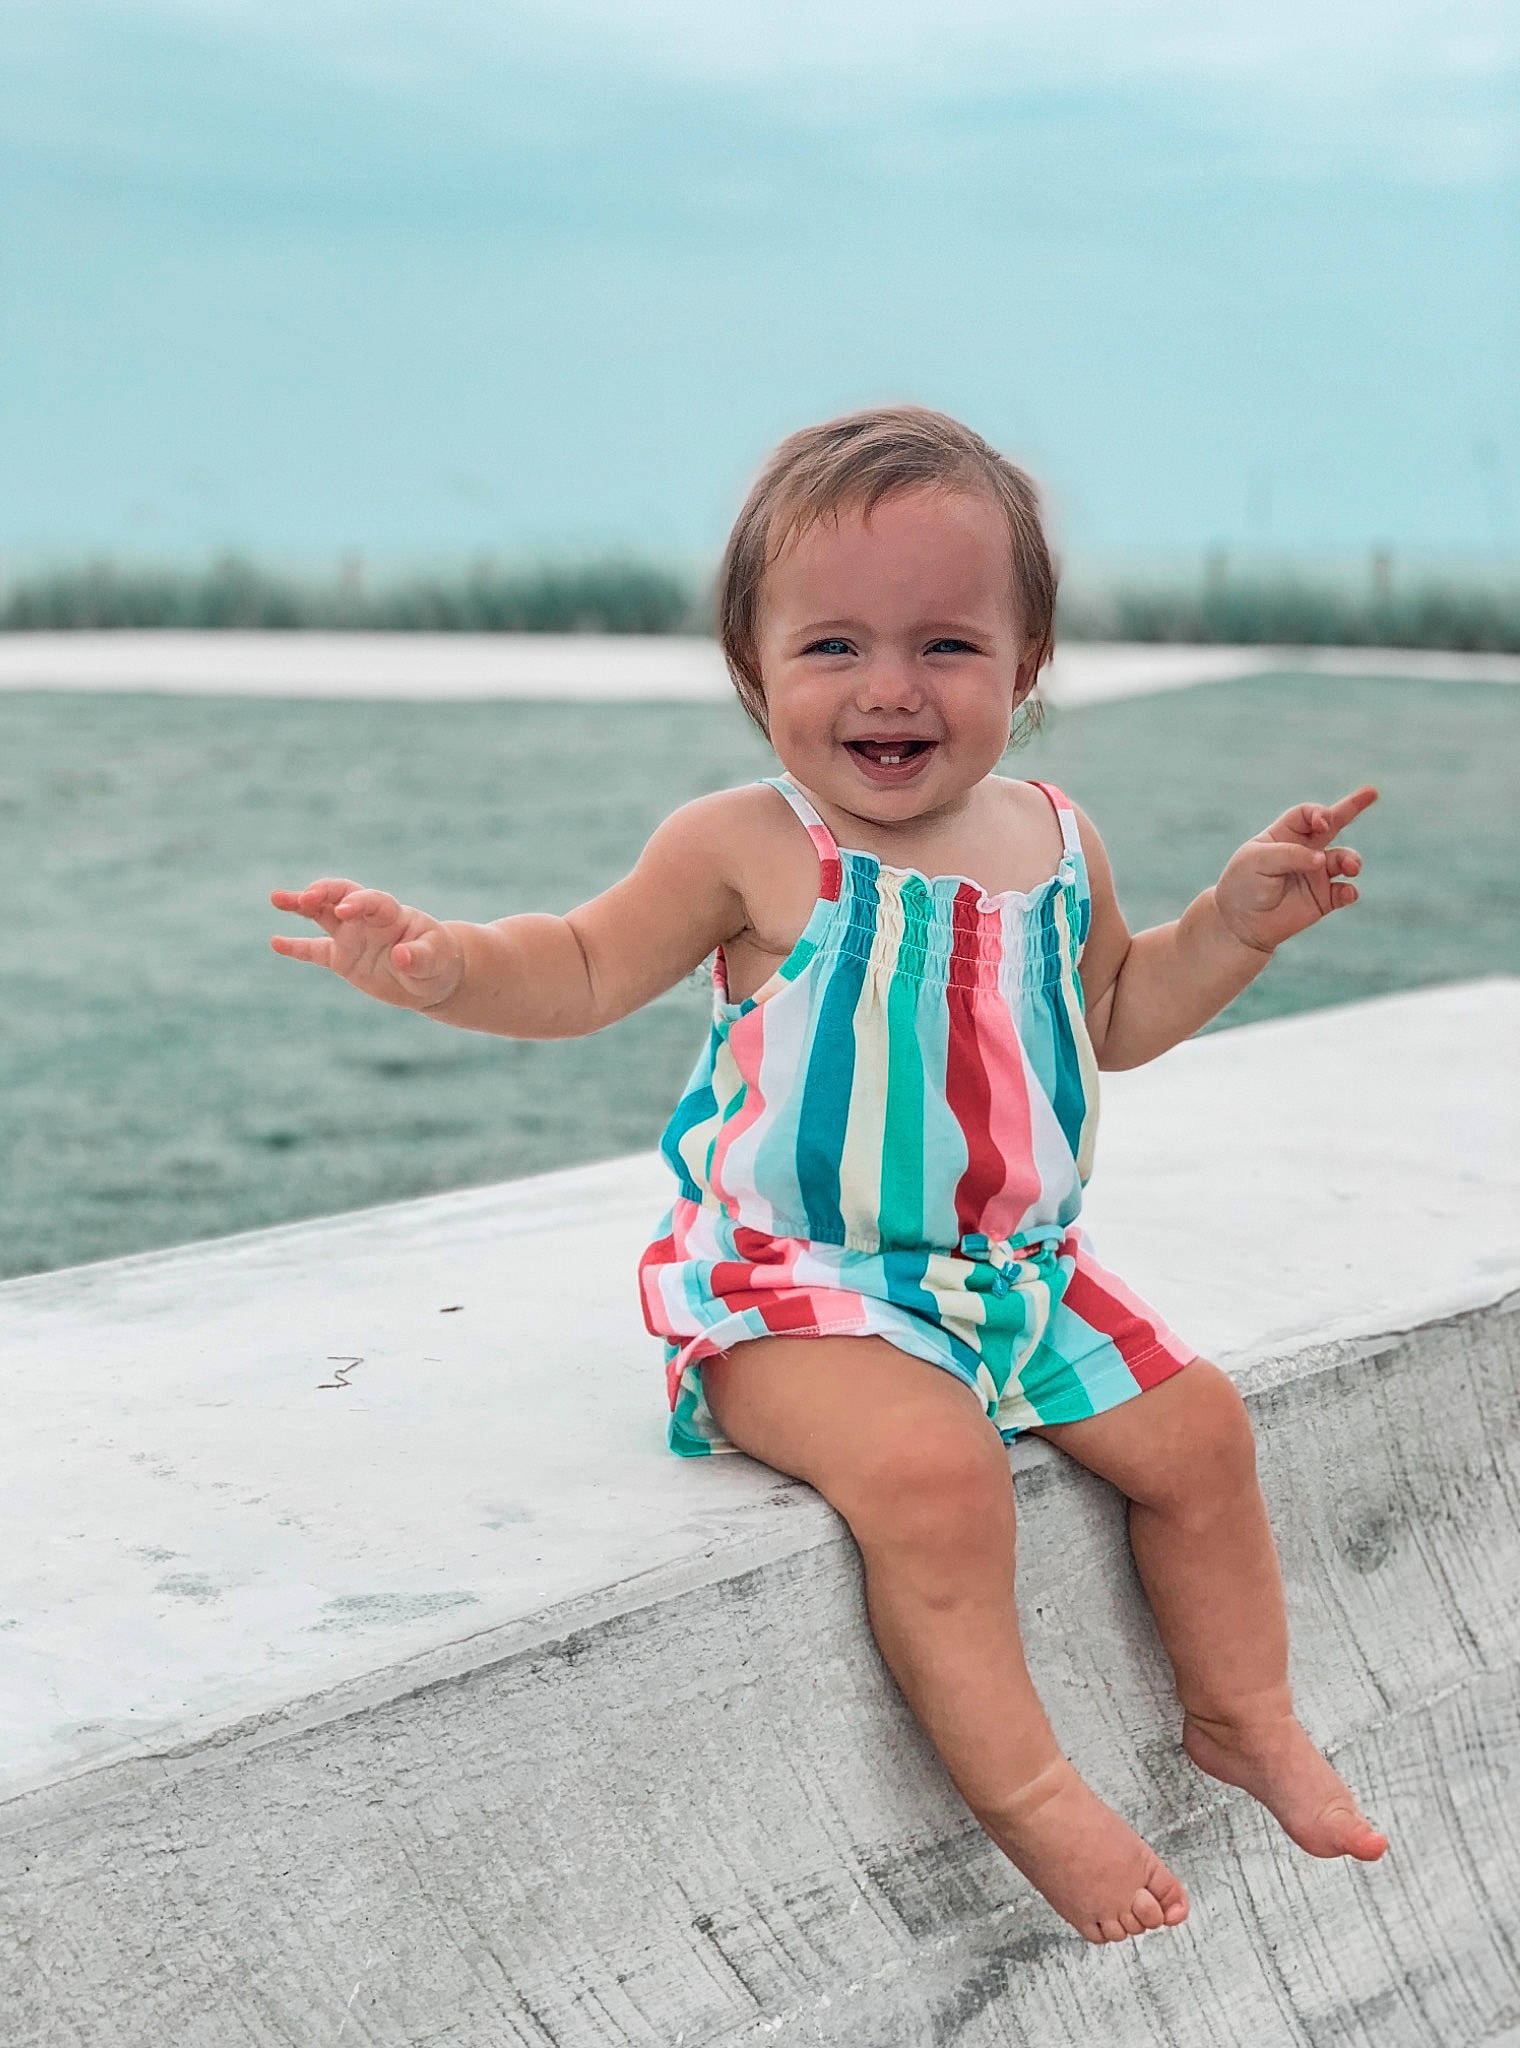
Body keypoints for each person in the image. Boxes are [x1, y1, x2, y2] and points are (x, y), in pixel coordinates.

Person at [271, 405, 1389, 1944]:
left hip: (1015, 1281)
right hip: (796, 1290)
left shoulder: (1057, 840)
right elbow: (580, 965)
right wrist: (446, 963)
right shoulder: (749, 845)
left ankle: (1243, 1715)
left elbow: (1119, 1015)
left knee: (1200, 1434)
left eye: (947, 645)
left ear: (1027, 666)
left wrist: (1235, 929)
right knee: (934, 1475)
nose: (890, 687)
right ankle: (1029, 1793)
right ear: (755, 669)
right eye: (833, 647)